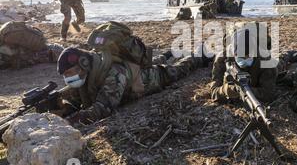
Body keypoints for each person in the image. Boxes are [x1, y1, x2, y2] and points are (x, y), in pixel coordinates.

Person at [56, 46, 207, 125]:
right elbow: (76, 99)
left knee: (178, 70)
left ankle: (199, 55)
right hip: (132, 72)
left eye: (71, 72)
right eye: (66, 76)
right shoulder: (87, 73)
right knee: (154, 60)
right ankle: (168, 54)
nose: (70, 78)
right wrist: (62, 108)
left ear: (84, 63)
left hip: (151, 79)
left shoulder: (113, 72)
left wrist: (71, 121)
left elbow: (103, 108)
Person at [210, 23, 278, 104]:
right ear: (233, 54)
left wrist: (244, 91)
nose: (245, 60)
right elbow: (213, 92)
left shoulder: (265, 60)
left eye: (249, 56)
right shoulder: (222, 59)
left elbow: (269, 94)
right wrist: (225, 90)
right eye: (241, 57)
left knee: (280, 63)